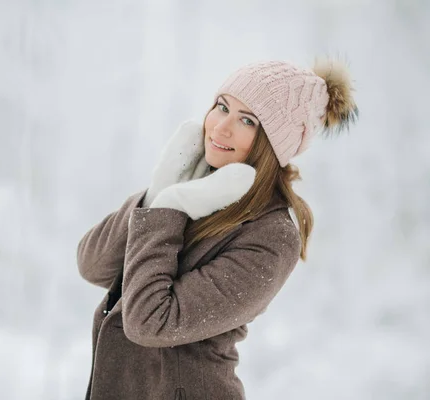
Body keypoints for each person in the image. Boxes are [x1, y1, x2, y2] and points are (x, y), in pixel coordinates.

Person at [77, 58, 358, 400]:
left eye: (247, 120)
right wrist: (157, 193)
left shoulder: (272, 235)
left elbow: (149, 321)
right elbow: (93, 265)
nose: (221, 127)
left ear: (272, 144)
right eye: (222, 106)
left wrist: (170, 207)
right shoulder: (194, 184)